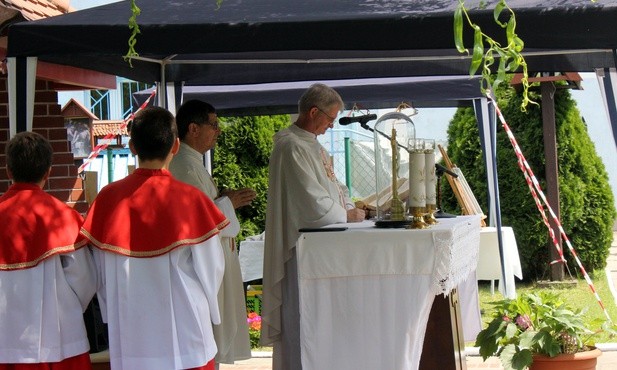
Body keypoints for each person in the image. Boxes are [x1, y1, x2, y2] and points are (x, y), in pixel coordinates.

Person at [81, 106, 228, 370]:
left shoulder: (108, 200)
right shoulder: (190, 199)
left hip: (131, 328)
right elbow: (212, 268)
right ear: (176, 145)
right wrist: (209, 309)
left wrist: (109, 307)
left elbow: (99, 270)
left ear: (133, 147)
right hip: (186, 326)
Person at [261, 83, 366, 369]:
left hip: (322, 248)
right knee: (303, 319)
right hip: (302, 250)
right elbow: (311, 203)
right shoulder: (291, 145)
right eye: (330, 119)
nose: (332, 126)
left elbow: (333, 187)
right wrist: (346, 215)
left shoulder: (310, 144)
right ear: (313, 111)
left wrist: (351, 206)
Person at [0, 132, 96, 369]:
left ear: (9, 171)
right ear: (48, 172)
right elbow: (84, 280)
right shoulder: (63, 217)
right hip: (59, 337)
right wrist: (68, 308)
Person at [169, 100, 255, 367]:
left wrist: (224, 199)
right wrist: (229, 203)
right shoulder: (184, 165)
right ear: (193, 128)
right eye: (213, 125)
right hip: (199, 268)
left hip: (211, 261)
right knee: (206, 335)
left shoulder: (193, 162)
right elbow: (198, 220)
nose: (218, 131)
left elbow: (206, 205)